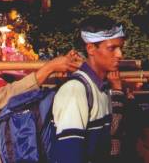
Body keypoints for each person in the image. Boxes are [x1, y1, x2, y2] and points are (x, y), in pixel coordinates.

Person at [0, 15, 83, 163]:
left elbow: (25, 84)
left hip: (6, 147)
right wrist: (49, 68)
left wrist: (59, 71)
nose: (0, 40)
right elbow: (4, 97)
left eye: (0, 35)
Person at [52, 14, 125, 163]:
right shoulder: (75, 90)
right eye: (112, 48)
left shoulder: (101, 88)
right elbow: (69, 155)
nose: (120, 55)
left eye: (120, 48)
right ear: (91, 48)